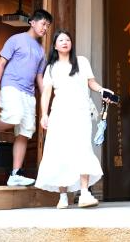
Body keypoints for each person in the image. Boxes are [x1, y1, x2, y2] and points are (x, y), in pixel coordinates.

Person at [36, 29, 112, 209]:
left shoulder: (82, 61)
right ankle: (63, 196)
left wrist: (102, 90)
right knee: (60, 151)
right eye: (61, 40)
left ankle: (85, 193)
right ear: (55, 45)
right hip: (60, 114)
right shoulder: (51, 68)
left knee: (83, 148)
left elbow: (91, 82)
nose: (65, 42)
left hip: (81, 112)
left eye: (68, 40)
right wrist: (44, 114)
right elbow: (46, 93)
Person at [0, 9, 53, 186]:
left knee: (25, 131)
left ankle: (15, 173)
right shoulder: (16, 39)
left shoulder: (41, 51)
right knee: (14, 115)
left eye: (48, 26)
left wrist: (47, 99)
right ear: (32, 22)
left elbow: (39, 77)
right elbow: (1, 64)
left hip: (29, 93)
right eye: (43, 24)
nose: (45, 28)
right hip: (11, 85)